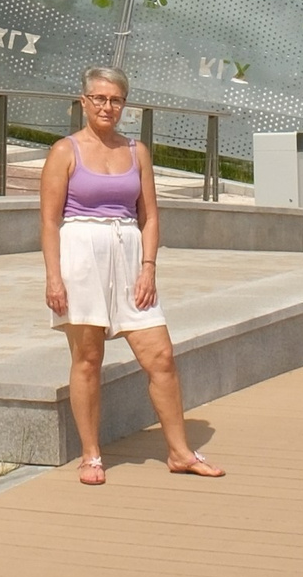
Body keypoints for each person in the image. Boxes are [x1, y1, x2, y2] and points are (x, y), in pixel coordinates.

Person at [40, 65, 222, 485]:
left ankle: (179, 451)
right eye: (99, 98)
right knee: (88, 359)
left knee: (161, 356)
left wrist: (148, 267)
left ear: (125, 104)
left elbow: (150, 216)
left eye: (116, 99)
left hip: (129, 254)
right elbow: (49, 222)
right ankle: (91, 455)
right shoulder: (65, 151)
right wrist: (54, 277)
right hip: (81, 256)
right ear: (84, 101)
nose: (107, 107)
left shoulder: (136, 151)